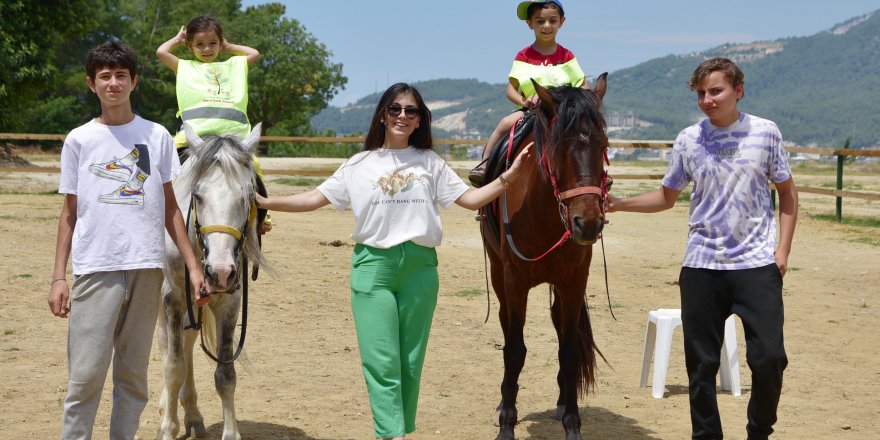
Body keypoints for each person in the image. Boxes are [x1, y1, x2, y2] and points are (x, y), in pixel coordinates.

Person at [256, 83, 532, 440]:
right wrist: (265, 203)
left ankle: (398, 428)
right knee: (381, 360)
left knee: (409, 361)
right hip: (373, 268)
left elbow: (472, 199)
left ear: (419, 121)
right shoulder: (358, 164)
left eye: (411, 111)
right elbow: (314, 198)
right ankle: (391, 435)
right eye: (396, 109)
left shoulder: (430, 162)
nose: (403, 115)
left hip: (420, 269)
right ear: (383, 115)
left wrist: (509, 178)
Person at [606, 57, 798, 440]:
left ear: (737, 90)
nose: (707, 100)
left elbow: (788, 195)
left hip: (755, 265)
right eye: (701, 93)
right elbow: (666, 197)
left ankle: (760, 430)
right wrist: (619, 203)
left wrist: (782, 251)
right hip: (701, 265)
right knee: (701, 365)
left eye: (716, 91)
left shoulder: (765, 132)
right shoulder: (688, 139)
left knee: (770, 359)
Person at [47, 41, 210, 440]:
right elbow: (69, 212)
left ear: (134, 81)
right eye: (105, 76)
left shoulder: (156, 138)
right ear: (91, 84)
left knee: (133, 378)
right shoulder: (79, 140)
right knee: (84, 379)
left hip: (146, 269)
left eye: (121, 75)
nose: (113, 83)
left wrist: (192, 267)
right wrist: (58, 277)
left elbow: (172, 209)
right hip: (95, 269)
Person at [156, 16, 272, 233]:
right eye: (199, 44)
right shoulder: (184, 67)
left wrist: (229, 46)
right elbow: (161, 52)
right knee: (164, 163)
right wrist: (177, 39)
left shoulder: (233, 66)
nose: (207, 49)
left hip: (234, 136)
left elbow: (254, 53)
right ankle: (156, 211)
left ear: (220, 44)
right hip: (194, 135)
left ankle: (262, 217)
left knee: (254, 167)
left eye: (213, 43)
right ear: (190, 46)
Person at [468, 0, 588, 187]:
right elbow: (510, 89)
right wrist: (525, 101)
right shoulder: (524, 56)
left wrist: (570, 102)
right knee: (505, 123)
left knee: (590, 131)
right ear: (530, 24)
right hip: (531, 111)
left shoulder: (567, 56)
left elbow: (583, 85)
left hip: (562, 114)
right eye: (540, 21)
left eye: (552, 21)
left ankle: (598, 173)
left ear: (561, 22)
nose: (546, 26)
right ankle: (485, 165)